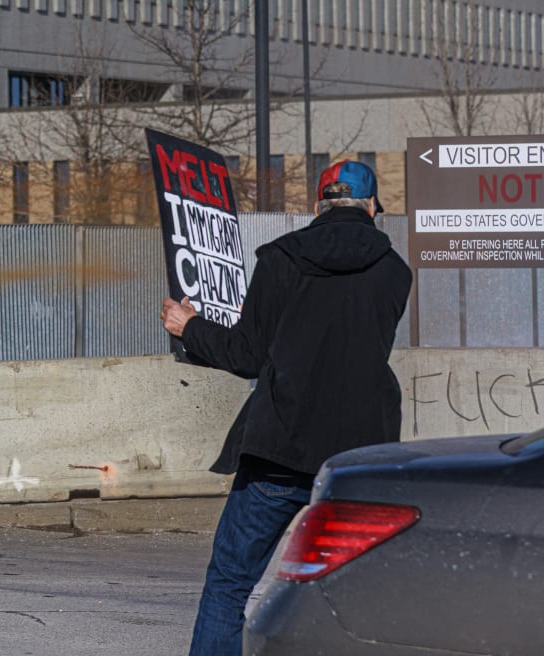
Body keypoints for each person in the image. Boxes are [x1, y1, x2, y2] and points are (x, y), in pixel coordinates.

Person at [159, 160, 412, 656]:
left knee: (231, 583)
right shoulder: (395, 273)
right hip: (357, 460)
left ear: (317, 205)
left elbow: (248, 355)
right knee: (352, 592)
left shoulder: (280, 259)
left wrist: (190, 326)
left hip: (279, 448)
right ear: (373, 207)